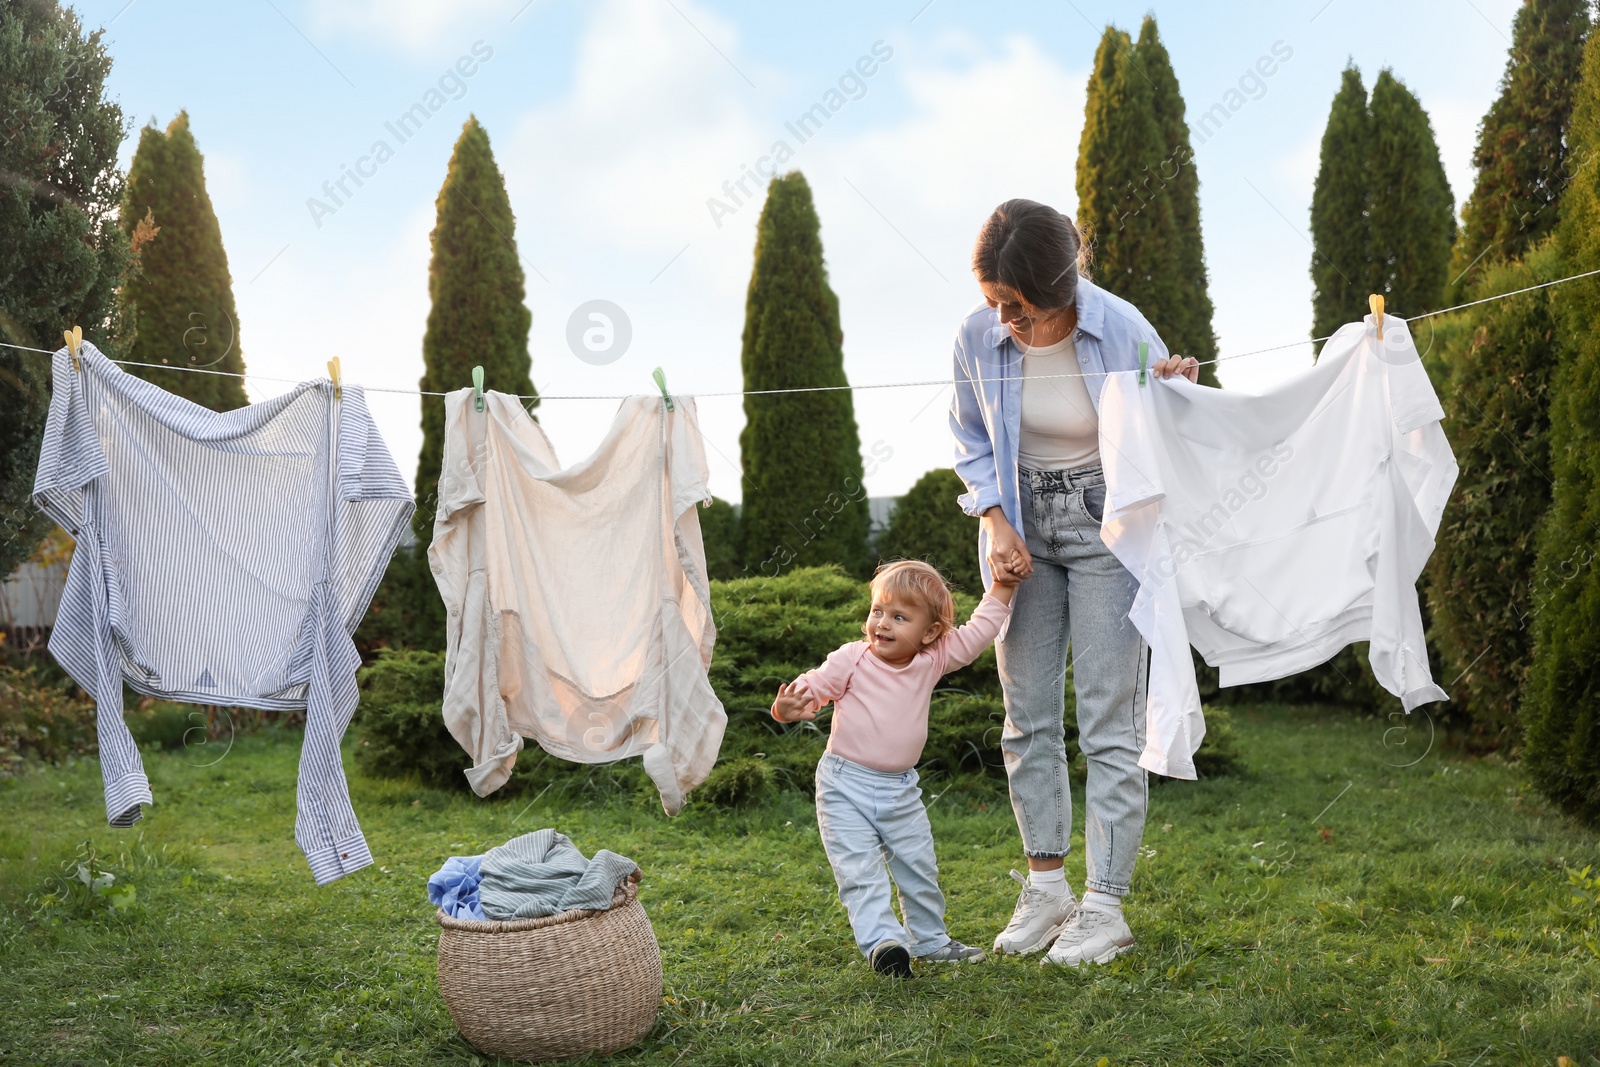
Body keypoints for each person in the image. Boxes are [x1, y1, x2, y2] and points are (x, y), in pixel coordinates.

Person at [949, 199, 1201, 967]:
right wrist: (994, 521)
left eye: (1021, 309)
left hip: (1106, 531)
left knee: (1106, 720)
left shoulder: (1122, 328)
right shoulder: (974, 334)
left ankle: (1106, 906)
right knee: (1025, 719)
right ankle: (1047, 886)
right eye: (999, 305)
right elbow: (967, 437)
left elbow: (1169, 432)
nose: (1008, 323)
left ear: (1062, 287)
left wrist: (1176, 391)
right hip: (1021, 530)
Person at [771, 560, 1017, 977]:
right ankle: (884, 944)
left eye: (899, 617)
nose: (881, 624)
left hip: (901, 790)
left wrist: (1003, 587)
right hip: (843, 785)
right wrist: (788, 706)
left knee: (918, 866)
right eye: (877, 612)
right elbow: (814, 685)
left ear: (930, 632)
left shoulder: (934, 658)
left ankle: (930, 941)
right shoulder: (852, 658)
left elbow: (978, 633)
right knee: (859, 870)